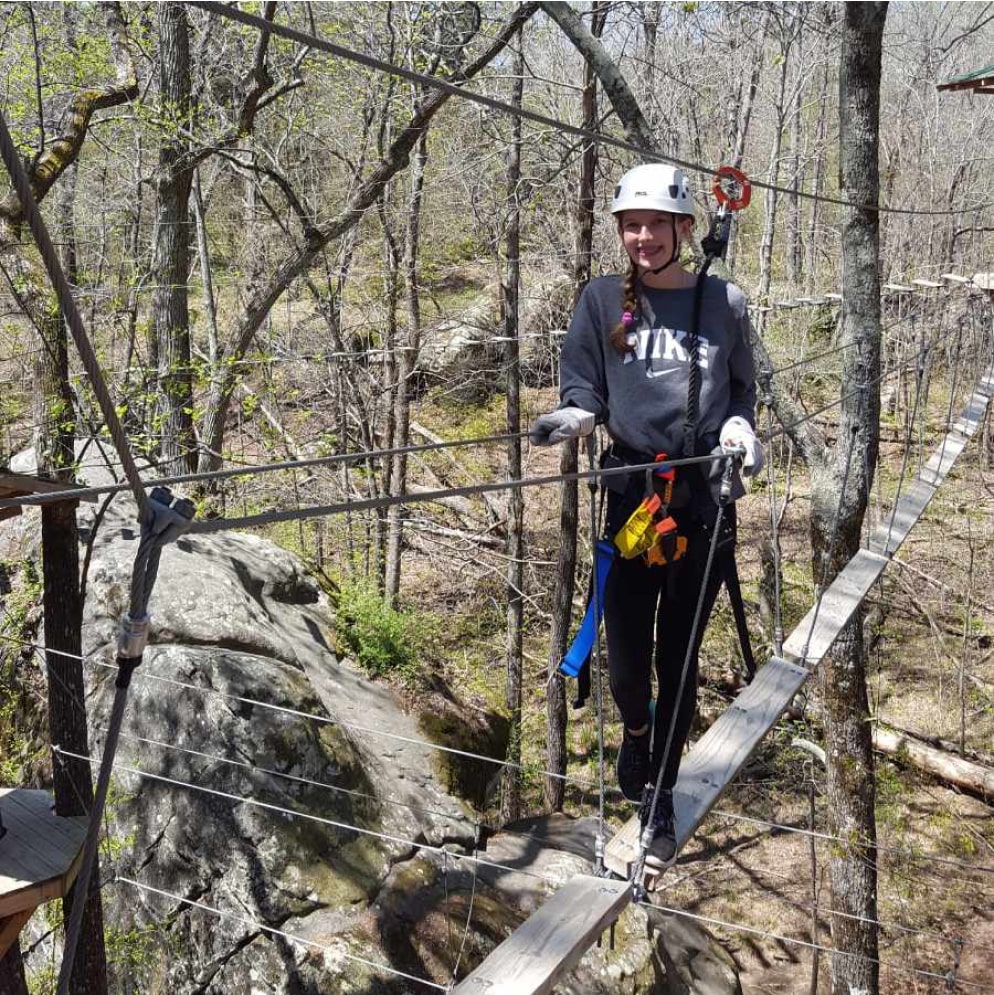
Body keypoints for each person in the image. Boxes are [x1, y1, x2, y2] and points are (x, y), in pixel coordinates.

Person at [530, 163, 762, 868]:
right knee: (627, 658)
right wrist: (576, 412)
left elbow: (744, 388)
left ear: (684, 229)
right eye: (631, 225)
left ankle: (659, 790)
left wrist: (740, 431)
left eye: (655, 224)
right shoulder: (603, 300)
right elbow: (585, 379)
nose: (642, 236)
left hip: (701, 502)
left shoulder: (723, 302)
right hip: (633, 497)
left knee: (678, 658)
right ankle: (636, 729)